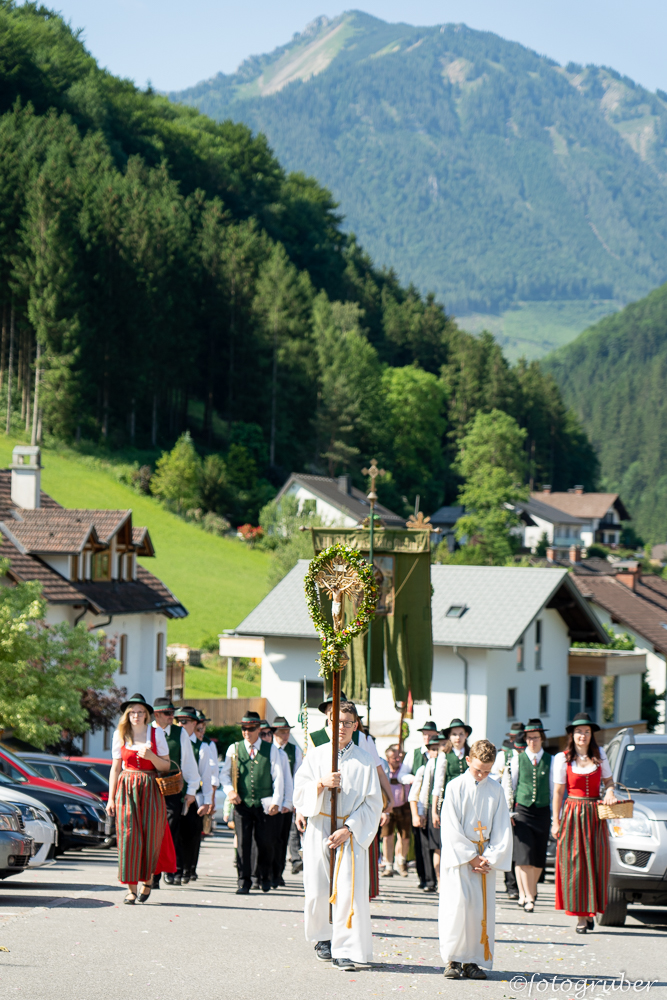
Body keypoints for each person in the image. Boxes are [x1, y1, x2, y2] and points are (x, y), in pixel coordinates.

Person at [293, 701, 382, 972]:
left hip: (349, 832)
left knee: (347, 890)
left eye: (347, 723)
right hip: (320, 825)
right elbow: (299, 793)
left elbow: (373, 803)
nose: (341, 727)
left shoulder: (365, 760)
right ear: (328, 724)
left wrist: (349, 828)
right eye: (336, 722)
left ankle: (344, 948)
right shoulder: (316, 755)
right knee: (318, 887)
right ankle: (323, 938)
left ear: (355, 726)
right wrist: (320, 784)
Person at [439, 739, 512, 980]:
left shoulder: (496, 790)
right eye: (478, 769)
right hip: (460, 859)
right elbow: (450, 827)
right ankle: (453, 959)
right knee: (457, 907)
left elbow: (502, 827)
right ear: (468, 760)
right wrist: (471, 857)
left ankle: (473, 961)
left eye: (487, 771)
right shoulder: (455, 787)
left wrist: (488, 858)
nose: (481, 776)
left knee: (479, 911)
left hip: (485, 860)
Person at [107, 693, 175, 904]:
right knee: (128, 836)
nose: (136, 716)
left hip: (150, 787)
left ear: (147, 715)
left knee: (150, 836)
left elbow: (166, 766)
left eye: (140, 712)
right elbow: (115, 768)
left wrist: (152, 757)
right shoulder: (120, 734)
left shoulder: (156, 733)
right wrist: (111, 799)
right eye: (132, 712)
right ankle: (131, 889)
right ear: (127, 715)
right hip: (126, 788)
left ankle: (148, 879)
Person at [552, 712, 616, 933]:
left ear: (591, 735)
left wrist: (609, 792)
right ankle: (581, 917)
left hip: (595, 815)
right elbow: (558, 792)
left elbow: (609, 781)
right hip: (572, 814)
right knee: (575, 865)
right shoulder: (562, 758)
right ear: (572, 734)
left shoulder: (600, 755)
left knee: (596, 862)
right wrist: (555, 821)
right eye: (579, 731)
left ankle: (591, 910)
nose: (583, 735)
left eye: (586, 732)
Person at [221, 711, 285, 894]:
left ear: (258, 729)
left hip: (264, 804)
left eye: (250, 729)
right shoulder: (234, 748)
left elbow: (278, 777)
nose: (246, 732)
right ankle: (243, 881)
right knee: (243, 844)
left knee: (265, 843)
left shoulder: (271, 749)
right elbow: (224, 775)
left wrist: (277, 801)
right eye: (244, 729)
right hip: (242, 804)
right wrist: (230, 791)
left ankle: (264, 877)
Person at [151, 696, 201, 889]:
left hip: (172, 789)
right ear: (156, 714)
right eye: (167, 713)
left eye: (172, 712)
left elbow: (188, 764)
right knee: (152, 832)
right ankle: (153, 876)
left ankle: (170, 870)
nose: (172, 716)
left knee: (170, 831)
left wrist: (191, 790)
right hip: (150, 787)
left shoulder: (180, 734)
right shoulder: (147, 732)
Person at [504, 718, 553, 912]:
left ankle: (530, 891)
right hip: (522, 810)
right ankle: (528, 896)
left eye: (536, 737)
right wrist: (509, 811)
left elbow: (553, 789)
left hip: (542, 810)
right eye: (530, 738)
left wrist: (555, 814)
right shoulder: (518, 759)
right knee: (524, 855)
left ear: (542, 738)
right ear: (525, 739)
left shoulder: (551, 760)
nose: (533, 741)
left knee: (539, 858)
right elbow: (510, 785)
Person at [173, 706, 212, 885]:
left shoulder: (202, 747)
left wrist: (207, 801)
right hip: (175, 796)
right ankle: (176, 869)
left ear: (194, 724)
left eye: (185, 721)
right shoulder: (173, 741)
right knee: (175, 834)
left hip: (194, 799)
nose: (181, 724)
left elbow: (206, 776)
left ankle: (188, 869)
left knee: (191, 836)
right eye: (178, 721)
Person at [271, 716, 302, 885]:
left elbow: (298, 776)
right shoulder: (269, 748)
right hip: (270, 801)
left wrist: (295, 801)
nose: (286, 735)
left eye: (287, 732)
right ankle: (268, 871)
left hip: (287, 801)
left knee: (284, 837)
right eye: (282, 732)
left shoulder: (294, 750)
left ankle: (279, 872)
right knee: (270, 838)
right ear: (274, 733)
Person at [410, 735, 441, 892]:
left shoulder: (442, 766)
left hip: (437, 810)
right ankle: (427, 880)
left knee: (436, 847)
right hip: (424, 809)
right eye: (433, 749)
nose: (435, 752)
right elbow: (414, 794)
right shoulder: (423, 769)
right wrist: (416, 814)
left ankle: (436, 879)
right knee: (424, 847)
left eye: (438, 749)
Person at [380, 744, 413, 877]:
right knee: (387, 837)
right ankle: (388, 865)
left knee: (404, 837)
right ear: (388, 759)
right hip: (388, 807)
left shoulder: (404, 770)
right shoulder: (385, 771)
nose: (397, 760)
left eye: (399, 757)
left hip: (403, 806)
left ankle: (401, 862)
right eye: (394, 758)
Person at [433, 717, 471, 823]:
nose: (458, 737)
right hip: (450, 799)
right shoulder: (444, 755)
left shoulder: (471, 754)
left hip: (469, 799)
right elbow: (438, 784)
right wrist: (434, 811)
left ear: (466, 735)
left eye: (461, 734)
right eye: (454, 734)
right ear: (449, 736)